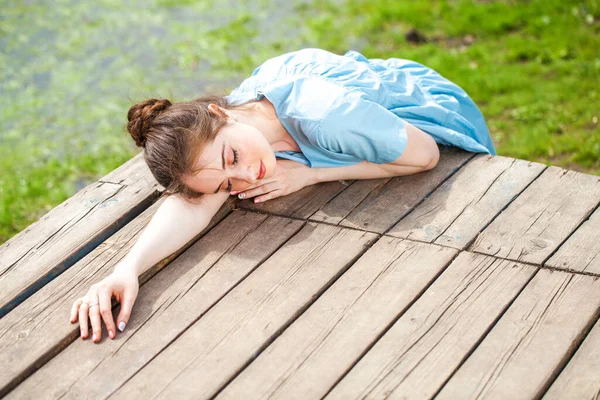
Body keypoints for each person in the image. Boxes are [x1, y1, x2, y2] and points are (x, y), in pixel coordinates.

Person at [69, 48, 496, 343]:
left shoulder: (325, 115)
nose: (243, 176)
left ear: (220, 113)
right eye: (226, 184)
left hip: (430, 116)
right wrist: (127, 269)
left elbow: (424, 156)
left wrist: (312, 173)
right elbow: (192, 203)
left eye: (232, 157)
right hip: (375, 121)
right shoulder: (237, 127)